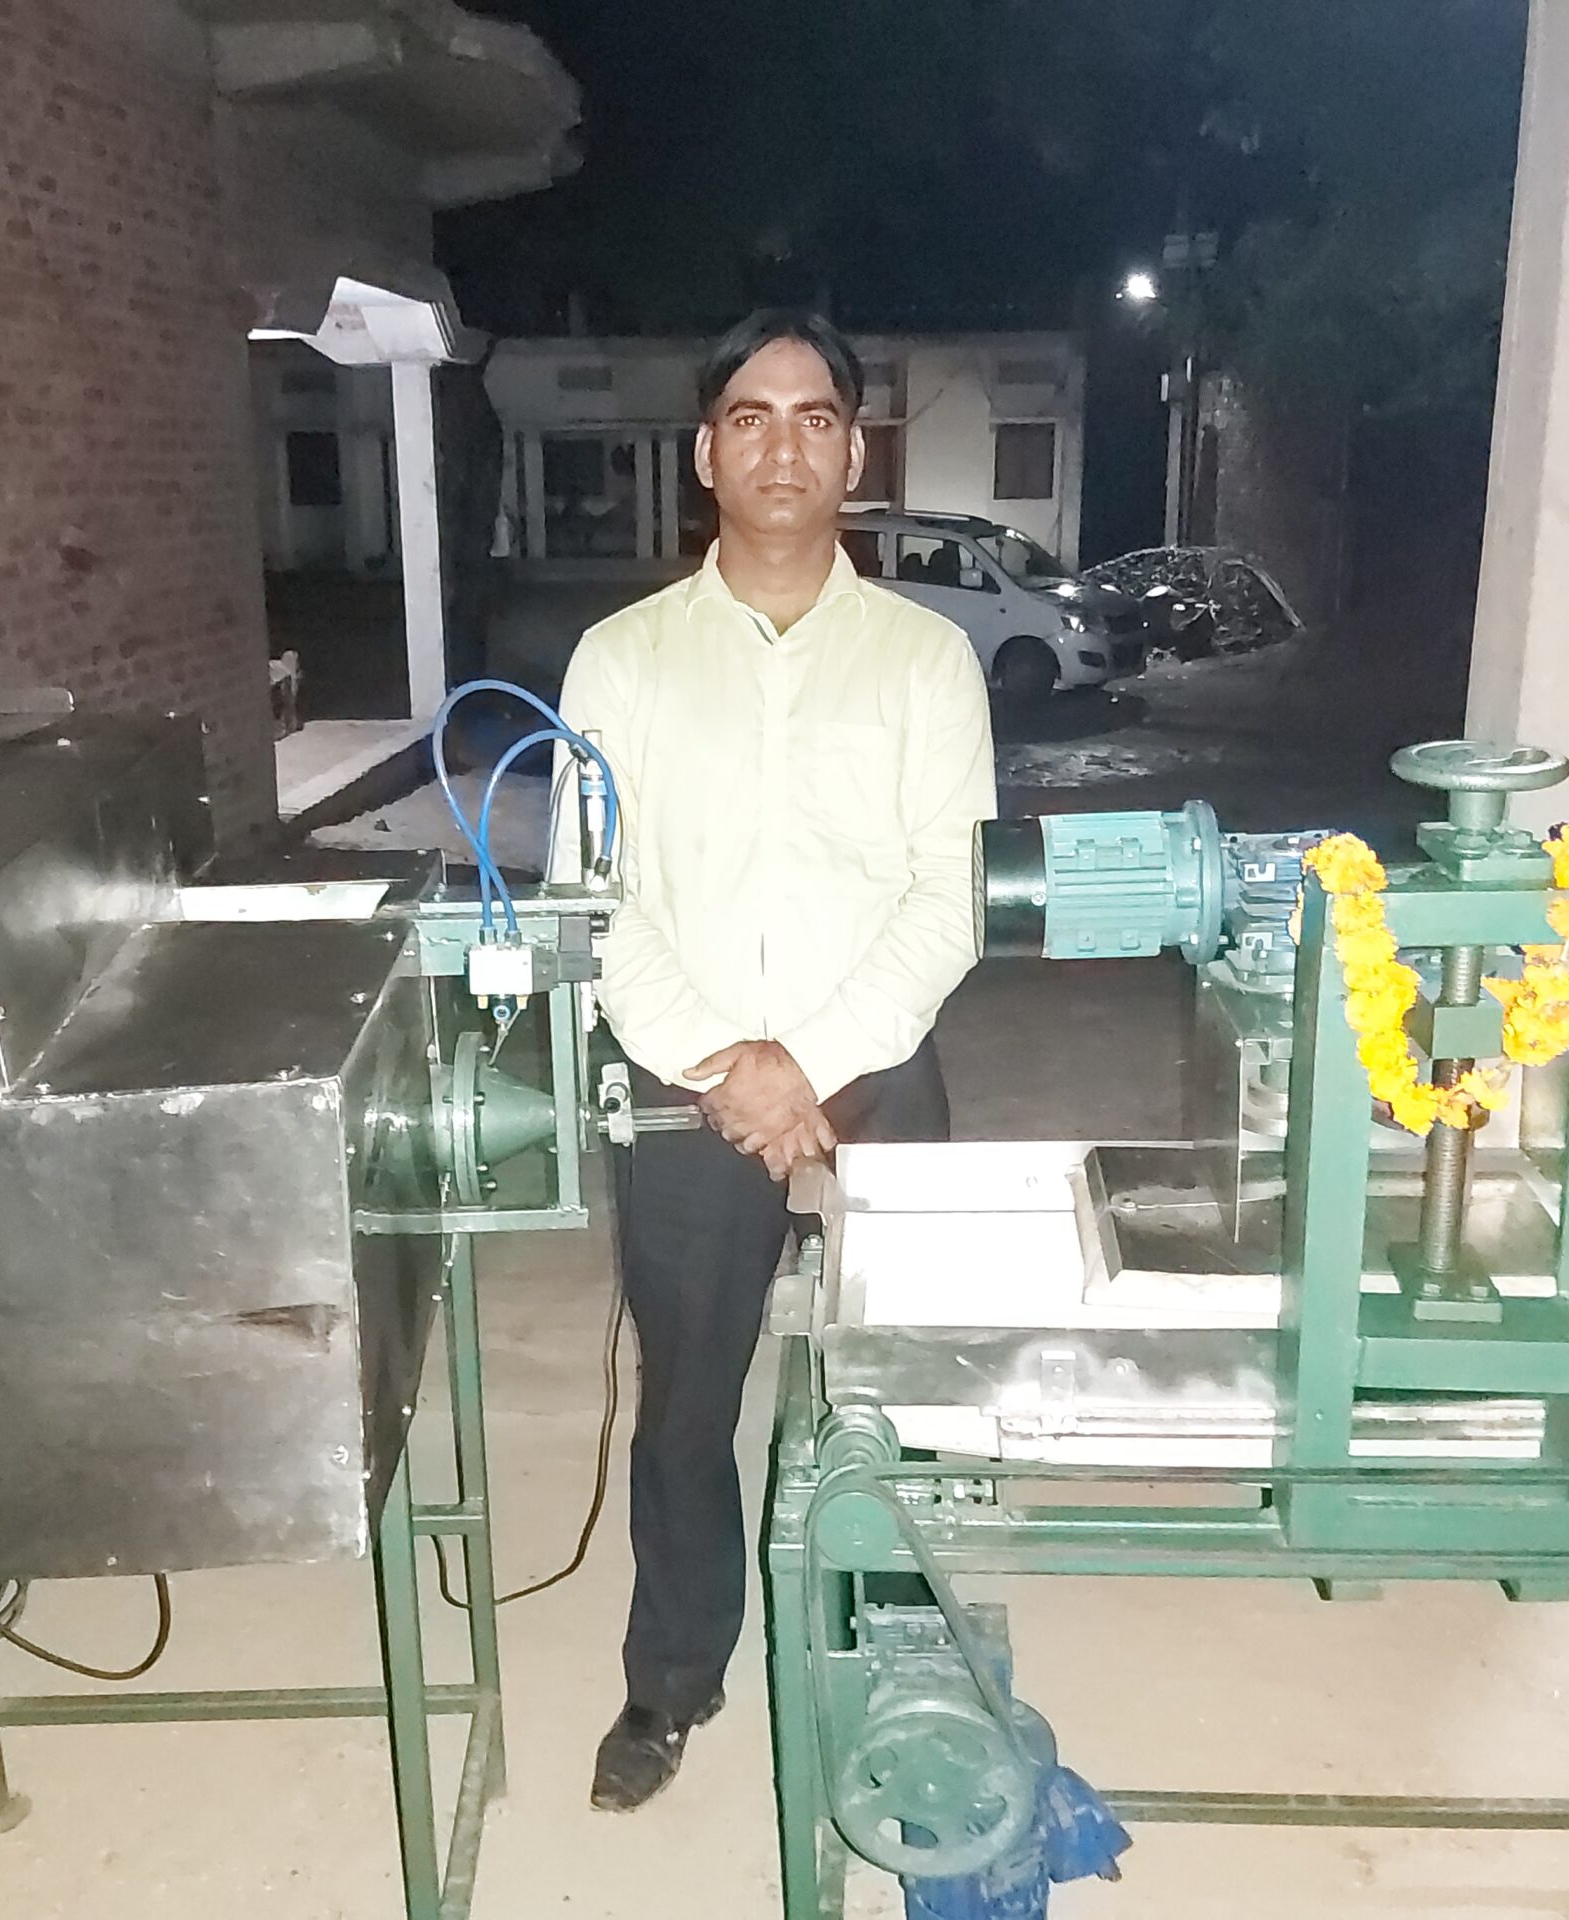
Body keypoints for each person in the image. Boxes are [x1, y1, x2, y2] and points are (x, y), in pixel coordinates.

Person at [551, 309, 996, 1812]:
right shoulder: (619, 661)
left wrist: (814, 1061)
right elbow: (593, 904)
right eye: (753, 416)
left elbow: (949, 900)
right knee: (687, 1404)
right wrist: (720, 1067)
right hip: (690, 1092)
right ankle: (671, 1681)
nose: (784, 443)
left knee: (913, 1385)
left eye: (815, 418)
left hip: (878, 1077)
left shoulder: (929, 660)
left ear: (854, 453)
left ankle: (907, 1639)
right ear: (707, 452)